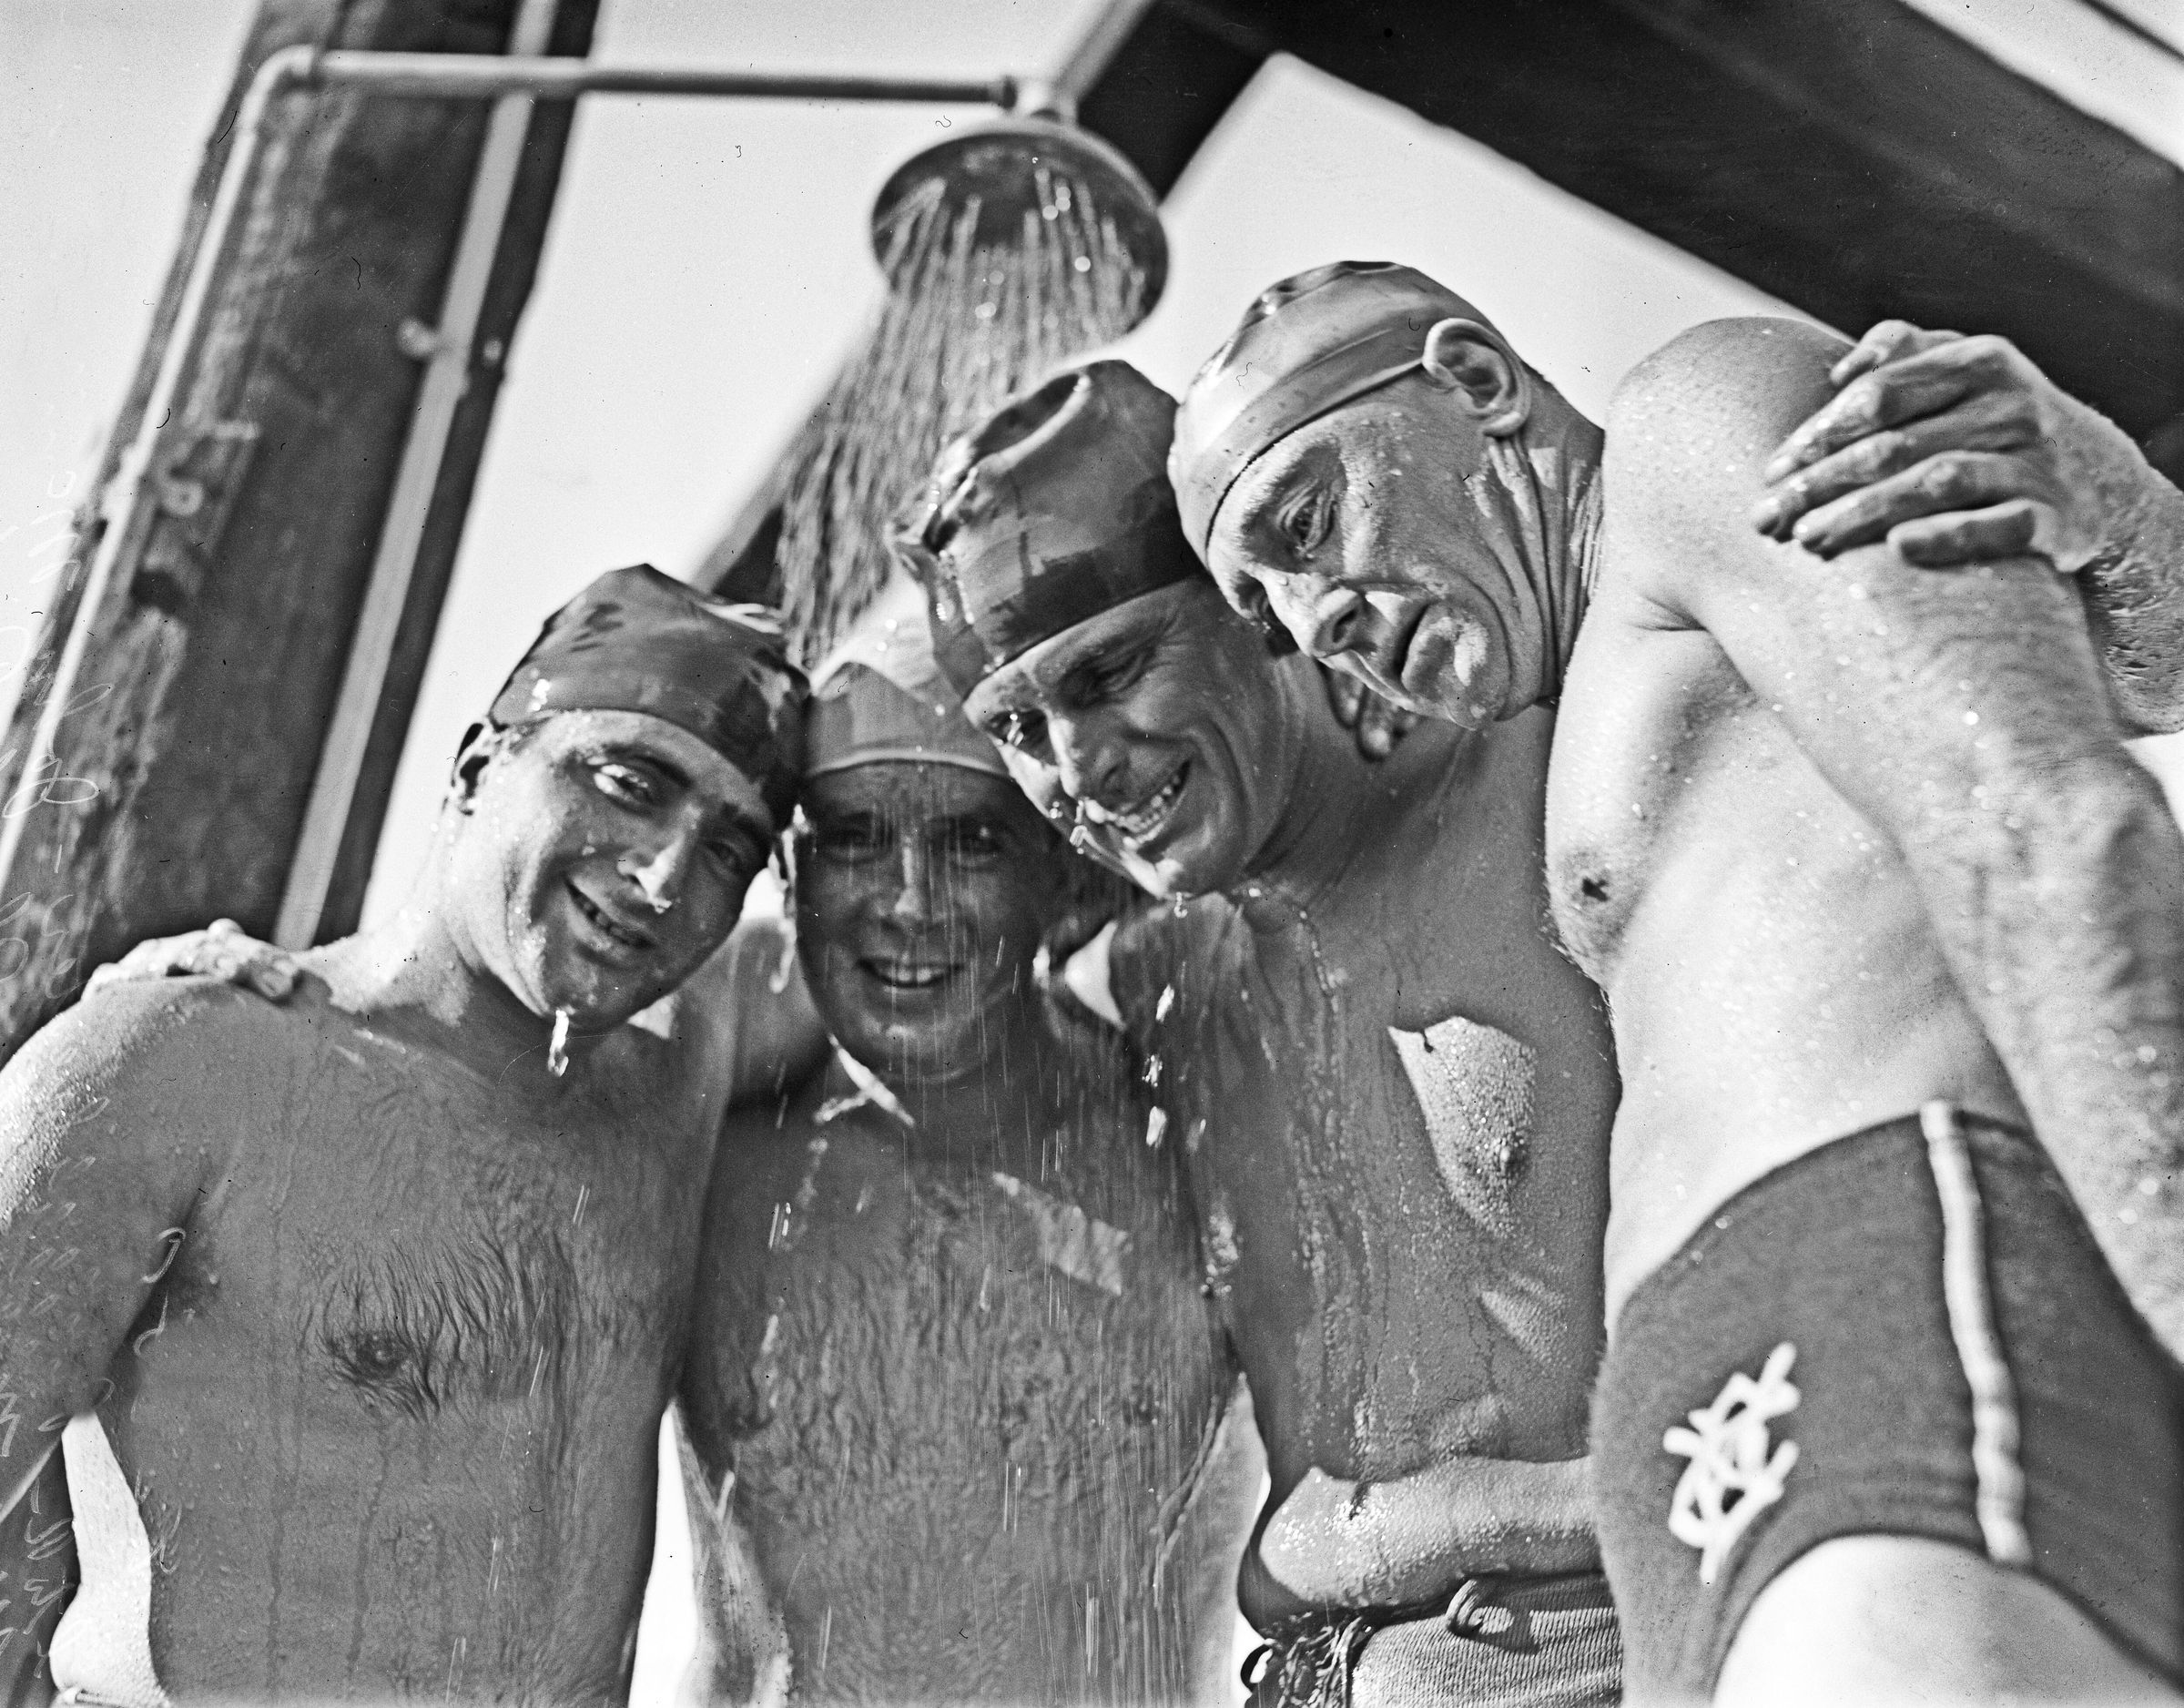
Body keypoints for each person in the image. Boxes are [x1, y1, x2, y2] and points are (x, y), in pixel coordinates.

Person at [1171, 262, 2184, 1703]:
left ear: (1475, 384)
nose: (1310, 617)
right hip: (1717, 1418)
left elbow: (2041, 821)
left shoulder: (1684, 421)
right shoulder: (1603, 685)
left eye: (1305, 521)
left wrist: (2126, 515)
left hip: (1871, 1276)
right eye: (1266, 610)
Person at [897, 361, 1624, 1707]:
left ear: (1255, 606)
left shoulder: (1557, 798)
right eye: (1017, 728)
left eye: (1110, 671)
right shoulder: (1156, 988)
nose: (1080, 767)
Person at [0, 564, 805, 1703]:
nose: (665, 874)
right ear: (476, 767)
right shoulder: (174, 1062)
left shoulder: (682, 1067)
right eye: (629, 782)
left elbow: (939, 909)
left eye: (729, 848)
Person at [676, 579, 1255, 1704]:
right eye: (854, 839)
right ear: (787, 876)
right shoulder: (700, 1152)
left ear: (1057, 868)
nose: (908, 902)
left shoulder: (1187, 1126)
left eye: (971, 842)